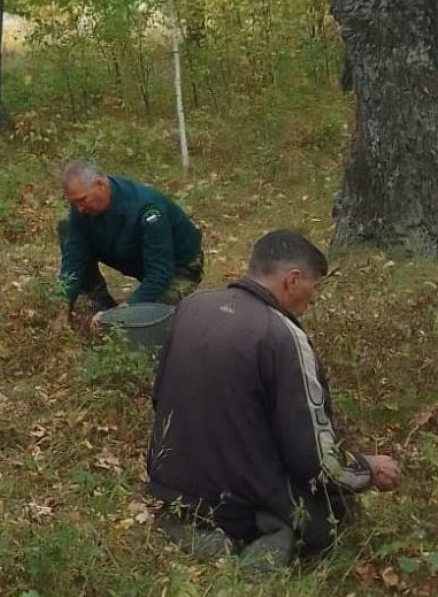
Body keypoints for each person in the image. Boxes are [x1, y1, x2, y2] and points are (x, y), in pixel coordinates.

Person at [147, 230, 401, 569]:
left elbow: (158, 396)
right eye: (315, 287)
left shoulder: (191, 307)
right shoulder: (282, 335)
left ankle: (186, 526)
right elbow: (312, 456)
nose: (313, 299)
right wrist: (366, 469)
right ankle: (253, 548)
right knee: (328, 518)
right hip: (238, 501)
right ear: (293, 280)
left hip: (171, 487)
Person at [57, 161, 203, 327]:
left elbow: (160, 273)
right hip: (136, 257)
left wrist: (123, 312)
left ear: (100, 185)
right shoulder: (82, 207)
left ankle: (115, 315)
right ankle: (99, 301)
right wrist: (63, 304)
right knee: (66, 228)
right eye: (74, 202)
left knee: (150, 324)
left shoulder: (147, 209)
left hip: (179, 267)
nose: (79, 209)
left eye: (82, 200)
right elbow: (74, 256)